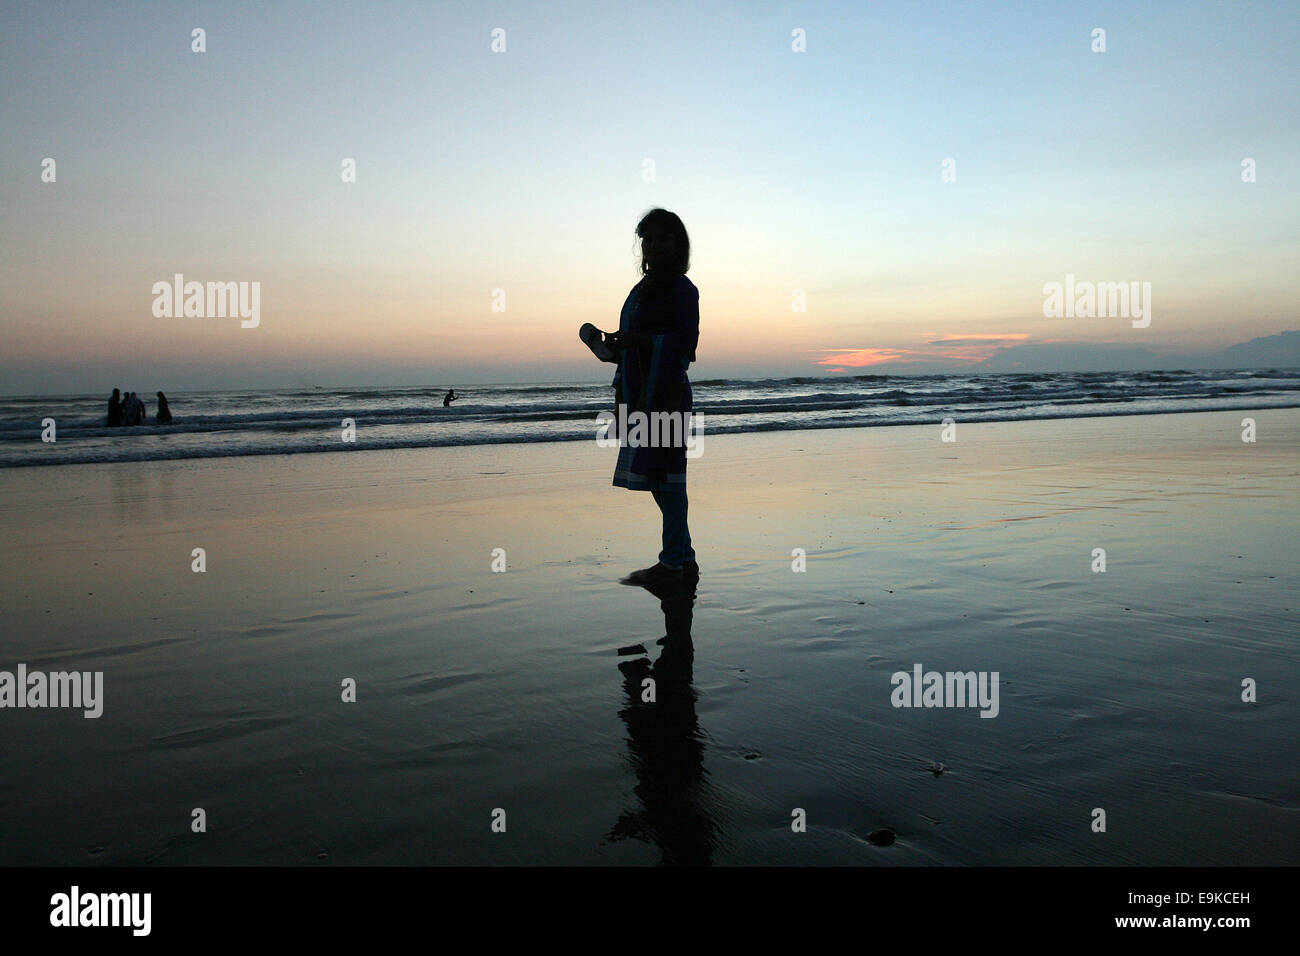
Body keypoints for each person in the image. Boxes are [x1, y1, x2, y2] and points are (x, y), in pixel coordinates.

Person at [607, 208, 700, 585]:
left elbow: (685, 345)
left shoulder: (682, 289)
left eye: (664, 238)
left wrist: (639, 341)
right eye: (648, 238)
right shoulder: (639, 291)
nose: (654, 244)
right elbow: (630, 347)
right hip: (636, 392)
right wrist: (612, 347)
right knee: (657, 480)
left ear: (677, 245)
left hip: (666, 395)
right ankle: (684, 557)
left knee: (668, 480)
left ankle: (672, 564)